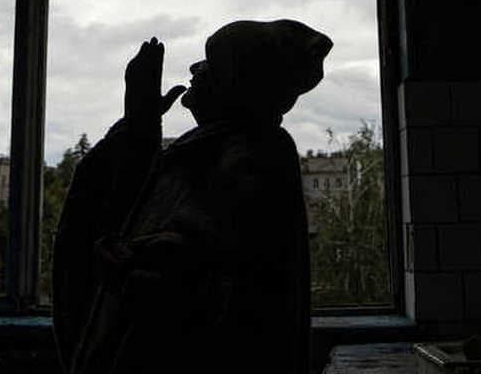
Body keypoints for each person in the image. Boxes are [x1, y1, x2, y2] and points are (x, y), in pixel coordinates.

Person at [52, 19, 333, 373]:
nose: (195, 68)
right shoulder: (210, 147)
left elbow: (191, 268)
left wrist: (129, 259)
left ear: (238, 82)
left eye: (211, 62)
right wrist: (138, 120)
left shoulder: (256, 154)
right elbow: (133, 209)